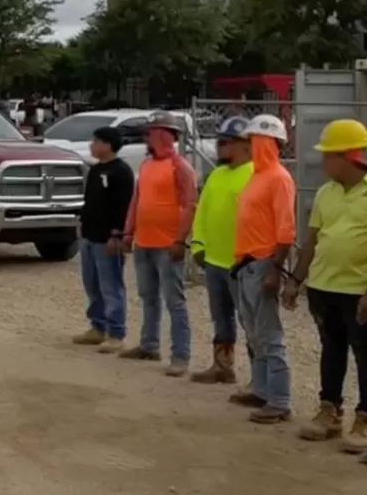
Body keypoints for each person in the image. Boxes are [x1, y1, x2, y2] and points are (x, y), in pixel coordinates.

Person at [285, 119, 367, 452]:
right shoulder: (325, 192)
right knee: (332, 350)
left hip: (358, 291)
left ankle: (365, 419)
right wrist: (296, 280)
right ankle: (330, 410)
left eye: (328, 155)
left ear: (349, 155)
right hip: (324, 287)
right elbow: (312, 240)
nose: (323, 162)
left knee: (365, 355)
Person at [120, 111, 197, 378]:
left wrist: (180, 239)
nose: (146, 137)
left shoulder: (181, 167)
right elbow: (136, 200)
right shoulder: (146, 165)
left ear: (164, 134)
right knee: (148, 296)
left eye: (150, 132)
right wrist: (129, 232)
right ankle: (149, 344)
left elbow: (190, 204)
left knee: (174, 300)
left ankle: (181, 355)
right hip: (144, 241)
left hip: (167, 244)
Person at [229, 113, 296, 424]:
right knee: (254, 332)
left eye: (255, 140)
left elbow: (286, 230)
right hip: (247, 263)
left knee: (269, 334)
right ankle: (261, 388)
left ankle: (280, 399)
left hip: (263, 262)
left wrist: (275, 270)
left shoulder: (279, 179)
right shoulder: (257, 176)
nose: (250, 146)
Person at [190, 117, 255, 384]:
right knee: (221, 318)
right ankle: (222, 366)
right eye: (219, 141)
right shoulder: (217, 174)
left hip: (241, 262)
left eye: (226, 141)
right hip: (214, 260)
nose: (220, 146)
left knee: (249, 320)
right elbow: (202, 212)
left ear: (246, 145)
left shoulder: (254, 174)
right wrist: (198, 244)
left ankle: (259, 378)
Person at [73, 126, 135, 351]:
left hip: (108, 238)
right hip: (90, 236)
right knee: (92, 284)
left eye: (96, 141)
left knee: (111, 285)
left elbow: (124, 206)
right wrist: (82, 223)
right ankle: (97, 326)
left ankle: (116, 332)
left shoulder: (121, 172)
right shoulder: (95, 170)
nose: (92, 145)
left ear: (108, 144)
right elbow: (89, 201)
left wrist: (118, 233)